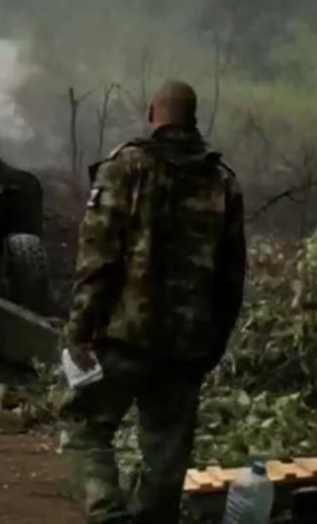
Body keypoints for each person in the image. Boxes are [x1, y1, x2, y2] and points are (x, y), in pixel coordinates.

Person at [64, 80, 247, 524]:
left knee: (84, 425)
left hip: (124, 335)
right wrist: (214, 344)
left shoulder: (126, 167)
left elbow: (98, 256)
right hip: (187, 346)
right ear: (194, 117)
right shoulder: (223, 183)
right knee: (166, 451)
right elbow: (232, 278)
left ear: (152, 113)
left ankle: (107, 514)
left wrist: (79, 330)